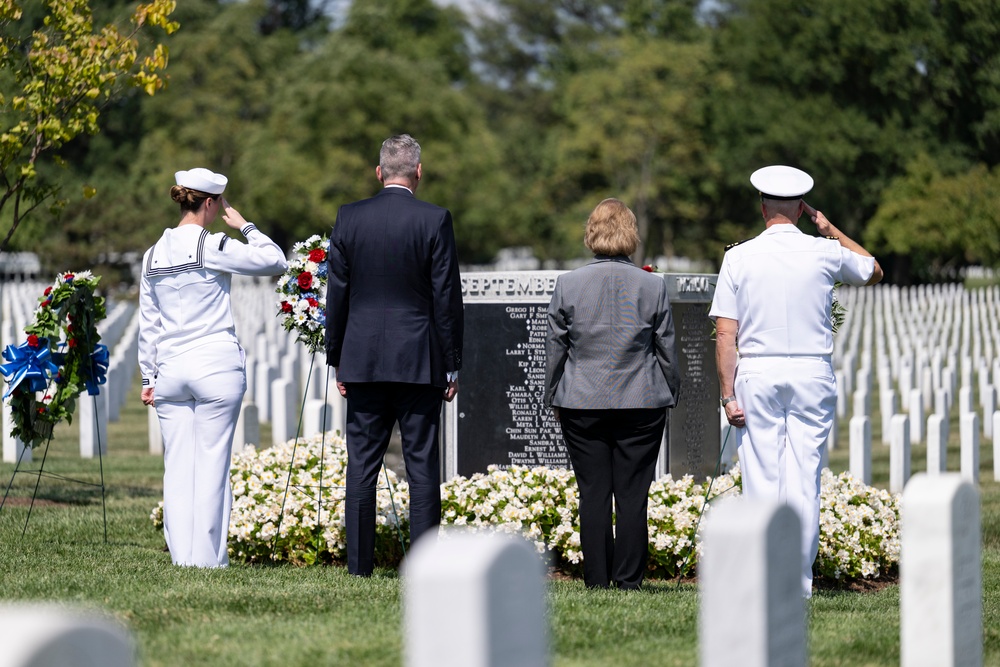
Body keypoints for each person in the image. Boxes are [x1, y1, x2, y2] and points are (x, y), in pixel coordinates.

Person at [709, 165, 883, 597]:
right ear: (802, 208)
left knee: (763, 475)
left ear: (762, 206)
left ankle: (765, 576)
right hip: (810, 371)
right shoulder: (823, 252)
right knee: (804, 476)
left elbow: (726, 334)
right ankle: (798, 582)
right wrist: (829, 228)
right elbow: (873, 269)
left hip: (759, 372)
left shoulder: (739, 257)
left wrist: (728, 396)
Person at [325, 134, 464, 577]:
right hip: (418, 361)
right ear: (418, 172)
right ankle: (423, 568)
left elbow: (338, 294)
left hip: (363, 359)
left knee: (362, 466)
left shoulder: (349, 217)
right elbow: (446, 298)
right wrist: (451, 363)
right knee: (422, 467)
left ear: (379, 172)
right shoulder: (435, 220)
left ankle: (359, 568)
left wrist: (337, 358)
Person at [138, 167, 289, 567]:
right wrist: (247, 226)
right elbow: (276, 260)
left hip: (169, 368)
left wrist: (148, 377)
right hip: (214, 366)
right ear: (210, 202)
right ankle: (207, 559)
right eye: (220, 203)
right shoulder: (214, 244)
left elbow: (148, 321)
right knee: (211, 466)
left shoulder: (153, 253)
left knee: (177, 469)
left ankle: (182, 557)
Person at [544, 198, 681, 590]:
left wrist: (553, 393)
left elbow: (556, 348)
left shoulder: (568, 284)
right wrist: (672, 392)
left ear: (592, 234)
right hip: (640, 399)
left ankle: (597, 579)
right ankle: (628, 580)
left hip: (582, 400)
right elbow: (666, 349)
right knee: (633, 494)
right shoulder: (652, 286)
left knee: (593, 493)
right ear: (630, 235)